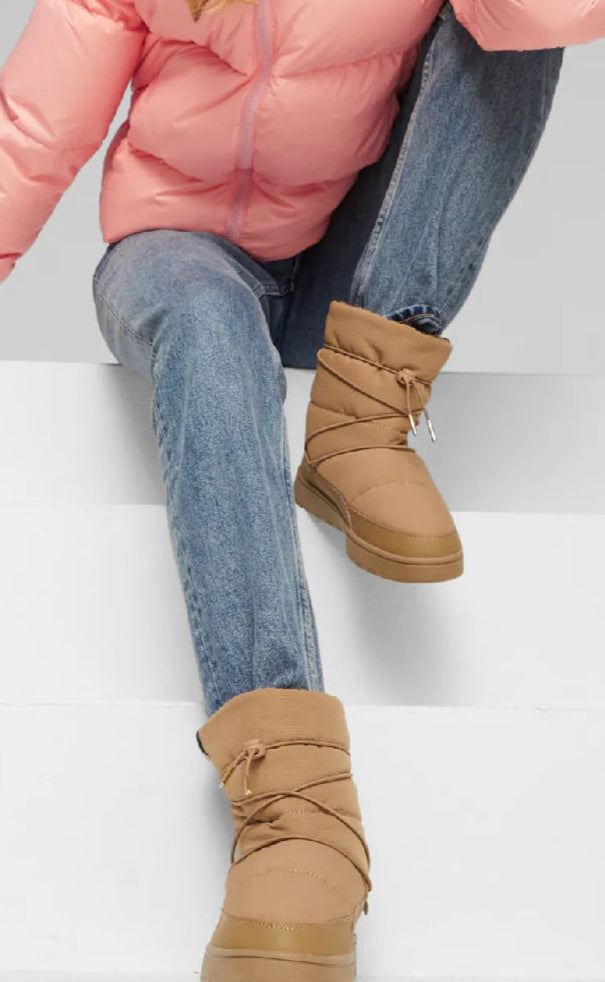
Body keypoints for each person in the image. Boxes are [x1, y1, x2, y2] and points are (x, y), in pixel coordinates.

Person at [1, 0, 600, 979]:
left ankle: (360, 417)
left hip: (343, 275)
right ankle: (294, 811)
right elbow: (30, 129)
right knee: (207, 317)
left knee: (515, 31)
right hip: (172, 254)